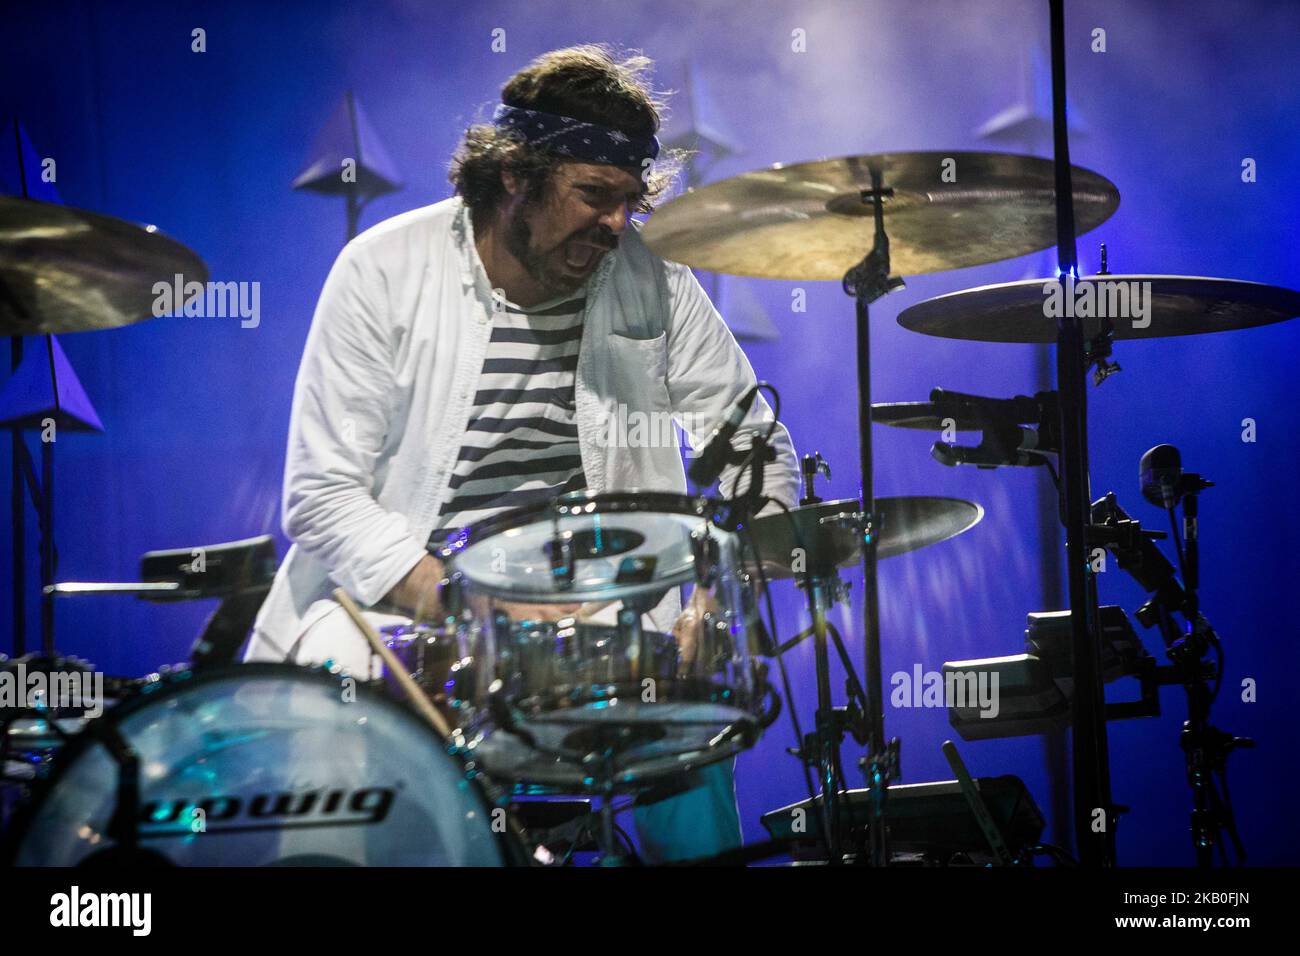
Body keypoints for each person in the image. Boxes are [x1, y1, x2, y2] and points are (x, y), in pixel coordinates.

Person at [244, 44, 798, 862]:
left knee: (686, 715)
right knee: (334, 695)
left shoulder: (653, 283)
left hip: (595, 604)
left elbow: (757, 448)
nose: (615, 225)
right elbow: (323, 497)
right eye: (593, 196)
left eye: (629, 202)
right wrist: (482, 612)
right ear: (514, 174)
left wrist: (718, 600)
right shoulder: (382, 271)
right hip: (403, 608)